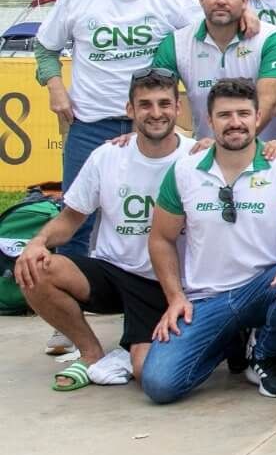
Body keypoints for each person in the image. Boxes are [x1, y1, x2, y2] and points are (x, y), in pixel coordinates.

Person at [141, 78, 276, 403]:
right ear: (210, 121)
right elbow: (161, 239)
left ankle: (263, 353)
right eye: (224, 115)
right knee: (160, 384)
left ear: (257, 118)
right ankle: (229, 339)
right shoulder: (184, 171)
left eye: (243, 114)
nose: (235, 122)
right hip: (205, 298)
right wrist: (175, 297)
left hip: (265, 289)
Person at [36, 0, 204, 261]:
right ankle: (74, 285)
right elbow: (45, 47)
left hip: (152, 126)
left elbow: (211, 35)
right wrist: (55, 87)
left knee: (163, 215)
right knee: (76, 220)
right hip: (91, 124)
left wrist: (246, 16)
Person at [15, 69, 187, 389]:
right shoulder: (108, 155)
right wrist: (38, 241)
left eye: (164, 104)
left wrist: (275, 147)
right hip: (114, 273)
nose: (156, 113)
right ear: (129, 110)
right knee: (35, 268)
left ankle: (132, 352)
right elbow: (71, 218)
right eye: (145, 105)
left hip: (170, 283)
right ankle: (91, 353)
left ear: (178, 108)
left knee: (148, 375)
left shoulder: (197, 156)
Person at [152, 0, 276, 143]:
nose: (221, 1)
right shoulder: (175, 43)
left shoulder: (272, 38)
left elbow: (269, 103)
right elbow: (156, 101)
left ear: (244, 1)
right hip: (205, 152)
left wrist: (224, 147)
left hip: (271, 151)